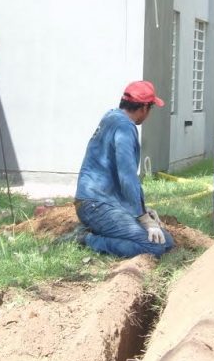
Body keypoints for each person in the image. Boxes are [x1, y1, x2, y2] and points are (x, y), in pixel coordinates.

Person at [71, 80, 175, 258]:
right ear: (143, 108)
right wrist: (143, 218)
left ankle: (98, 233)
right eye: (150, 108)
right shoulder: (125, 128)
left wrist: (142, 209)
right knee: (154, 247)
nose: (149, 113)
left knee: (166, 241)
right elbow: (127, 177)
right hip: (97, 206)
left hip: (99, 202)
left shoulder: (111, 117)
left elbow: (119, 178)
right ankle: (86, 239)